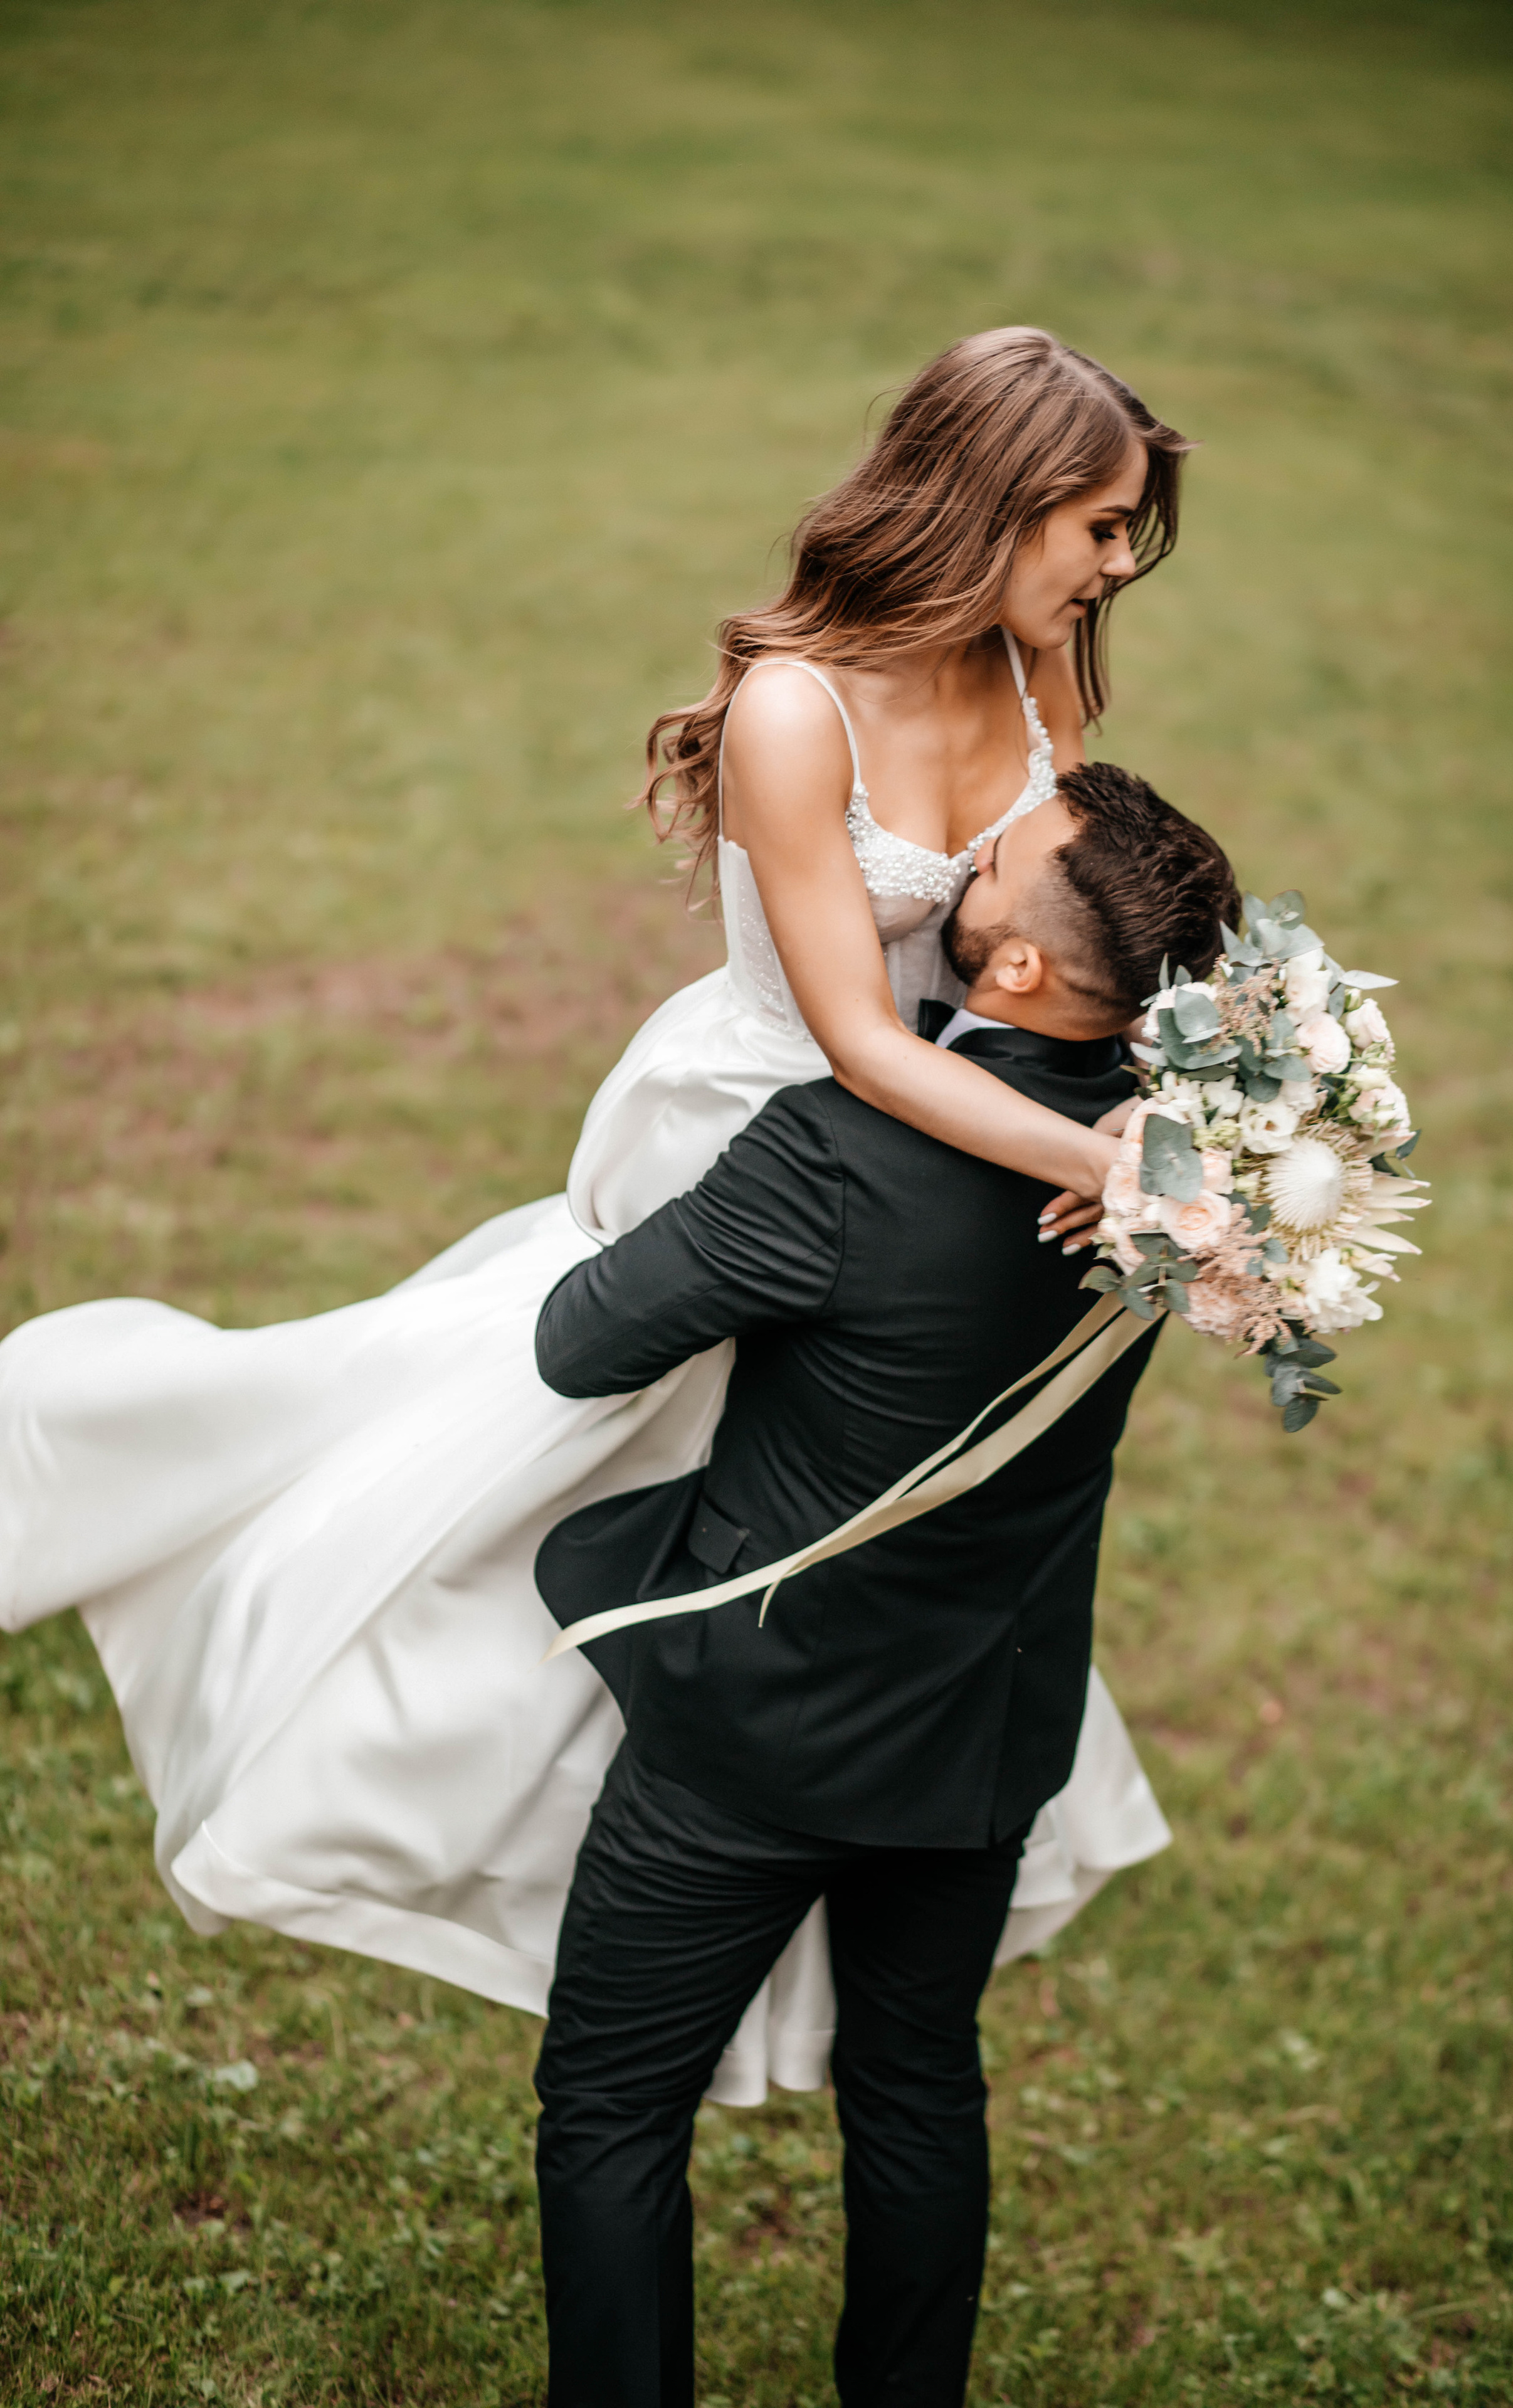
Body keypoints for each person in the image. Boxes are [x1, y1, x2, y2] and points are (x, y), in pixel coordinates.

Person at [0, 329, 1186, 2093]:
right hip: (772, 1132)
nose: (1115, 566)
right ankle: (407, 1737)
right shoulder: (800, 707)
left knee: (840, 1522)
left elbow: (1078, 934)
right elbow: (860, 1038)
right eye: (1097, 526)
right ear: (996, 499)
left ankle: (764, 1846)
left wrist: (1181, 1113)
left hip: (944, 1157)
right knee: (562, 1457)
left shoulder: (1043, 671)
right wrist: (1104, 1166)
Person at [531, 766, 1240, 2408]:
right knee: (920, 2091)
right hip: (981, 1737)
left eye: (995, 858)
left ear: (1012, 972)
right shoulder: (1175, 1185)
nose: (967, 852)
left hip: (748, 1745)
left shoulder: (844, 1151)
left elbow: (582, 1345)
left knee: (613, 2112)